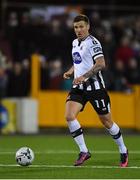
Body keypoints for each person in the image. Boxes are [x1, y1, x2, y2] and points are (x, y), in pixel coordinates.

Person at [63, 14, 128, 167]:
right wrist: (71, 71)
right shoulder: (74, 43)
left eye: (81, 26)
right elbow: (78, 61)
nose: (78, 30)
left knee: (107, 122)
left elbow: (101, 64)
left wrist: (83, 77)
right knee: (69, 116)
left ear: (88, 27)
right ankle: (84, 151)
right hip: (79, 87)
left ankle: (123, 150)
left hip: (96, 88)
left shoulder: (93, 43)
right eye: (76, 27)